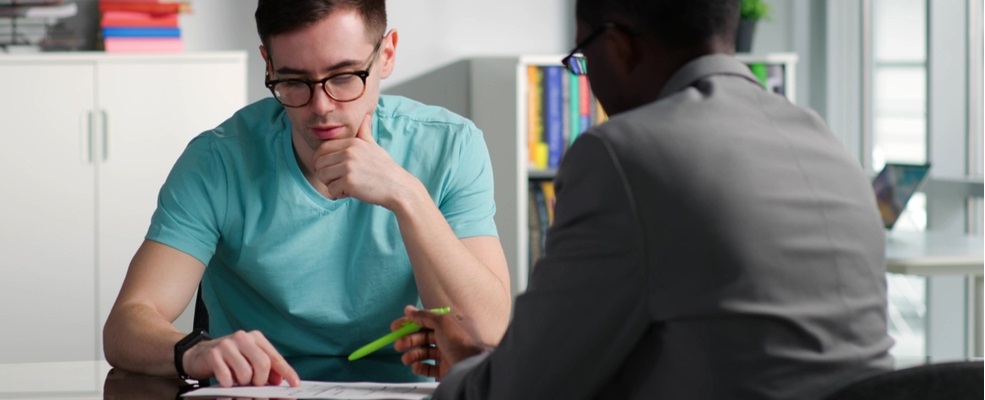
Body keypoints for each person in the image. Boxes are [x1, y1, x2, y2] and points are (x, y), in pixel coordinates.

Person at [393, 0, 895, 398]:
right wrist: (486, 355)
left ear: (618, 45)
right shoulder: (823, 139)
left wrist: (470, 372)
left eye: (582, 59)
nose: (586, 78)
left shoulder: (622, 155)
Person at [102, 0, 511, 387]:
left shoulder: (451, 146)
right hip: (260, 392)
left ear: (386, 54)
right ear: (269, 64)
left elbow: (489, 331)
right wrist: (196, 351)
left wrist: (406, 195)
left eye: (345, 76)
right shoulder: (217, 161)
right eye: (294, 81)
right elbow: (128, 323)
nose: (321, 107)